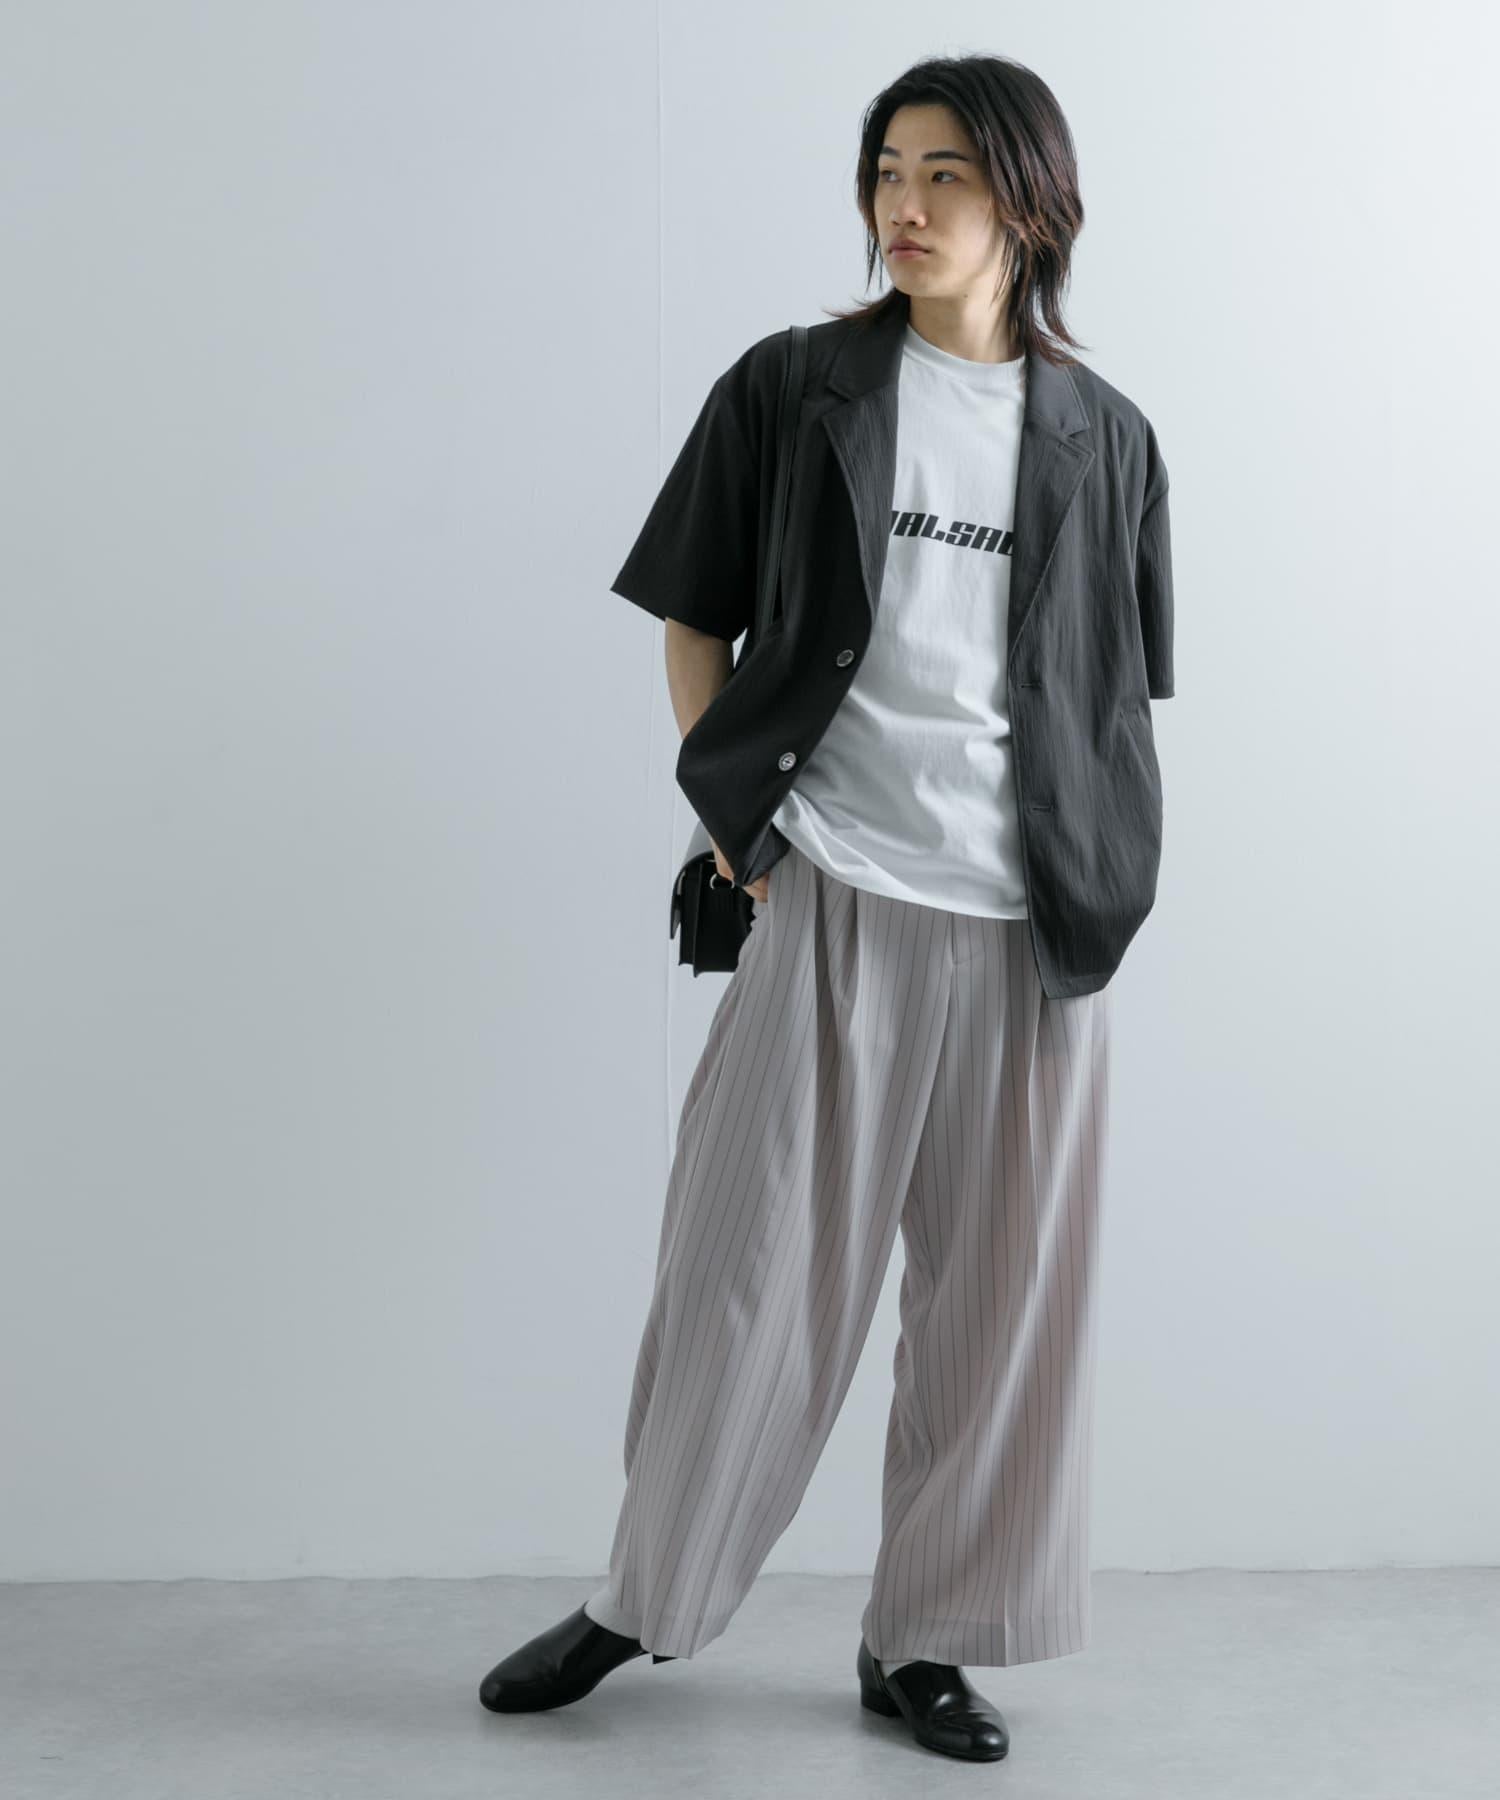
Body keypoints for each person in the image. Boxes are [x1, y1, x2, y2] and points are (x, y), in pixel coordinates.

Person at [479, 50, 1175, 1766]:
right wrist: (741, 821)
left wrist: (1110, 873)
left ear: (1030, 202)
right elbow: (691, 610)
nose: (904, 206)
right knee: (743, 1278)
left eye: (945, 174)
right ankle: (645, 1592)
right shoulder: (797, 388)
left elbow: (1113, 693)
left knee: (999, 1314)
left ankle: (928, 1639)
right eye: (886, 171)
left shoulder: (1109, 439)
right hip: (833, 890)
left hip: (1034, 932)